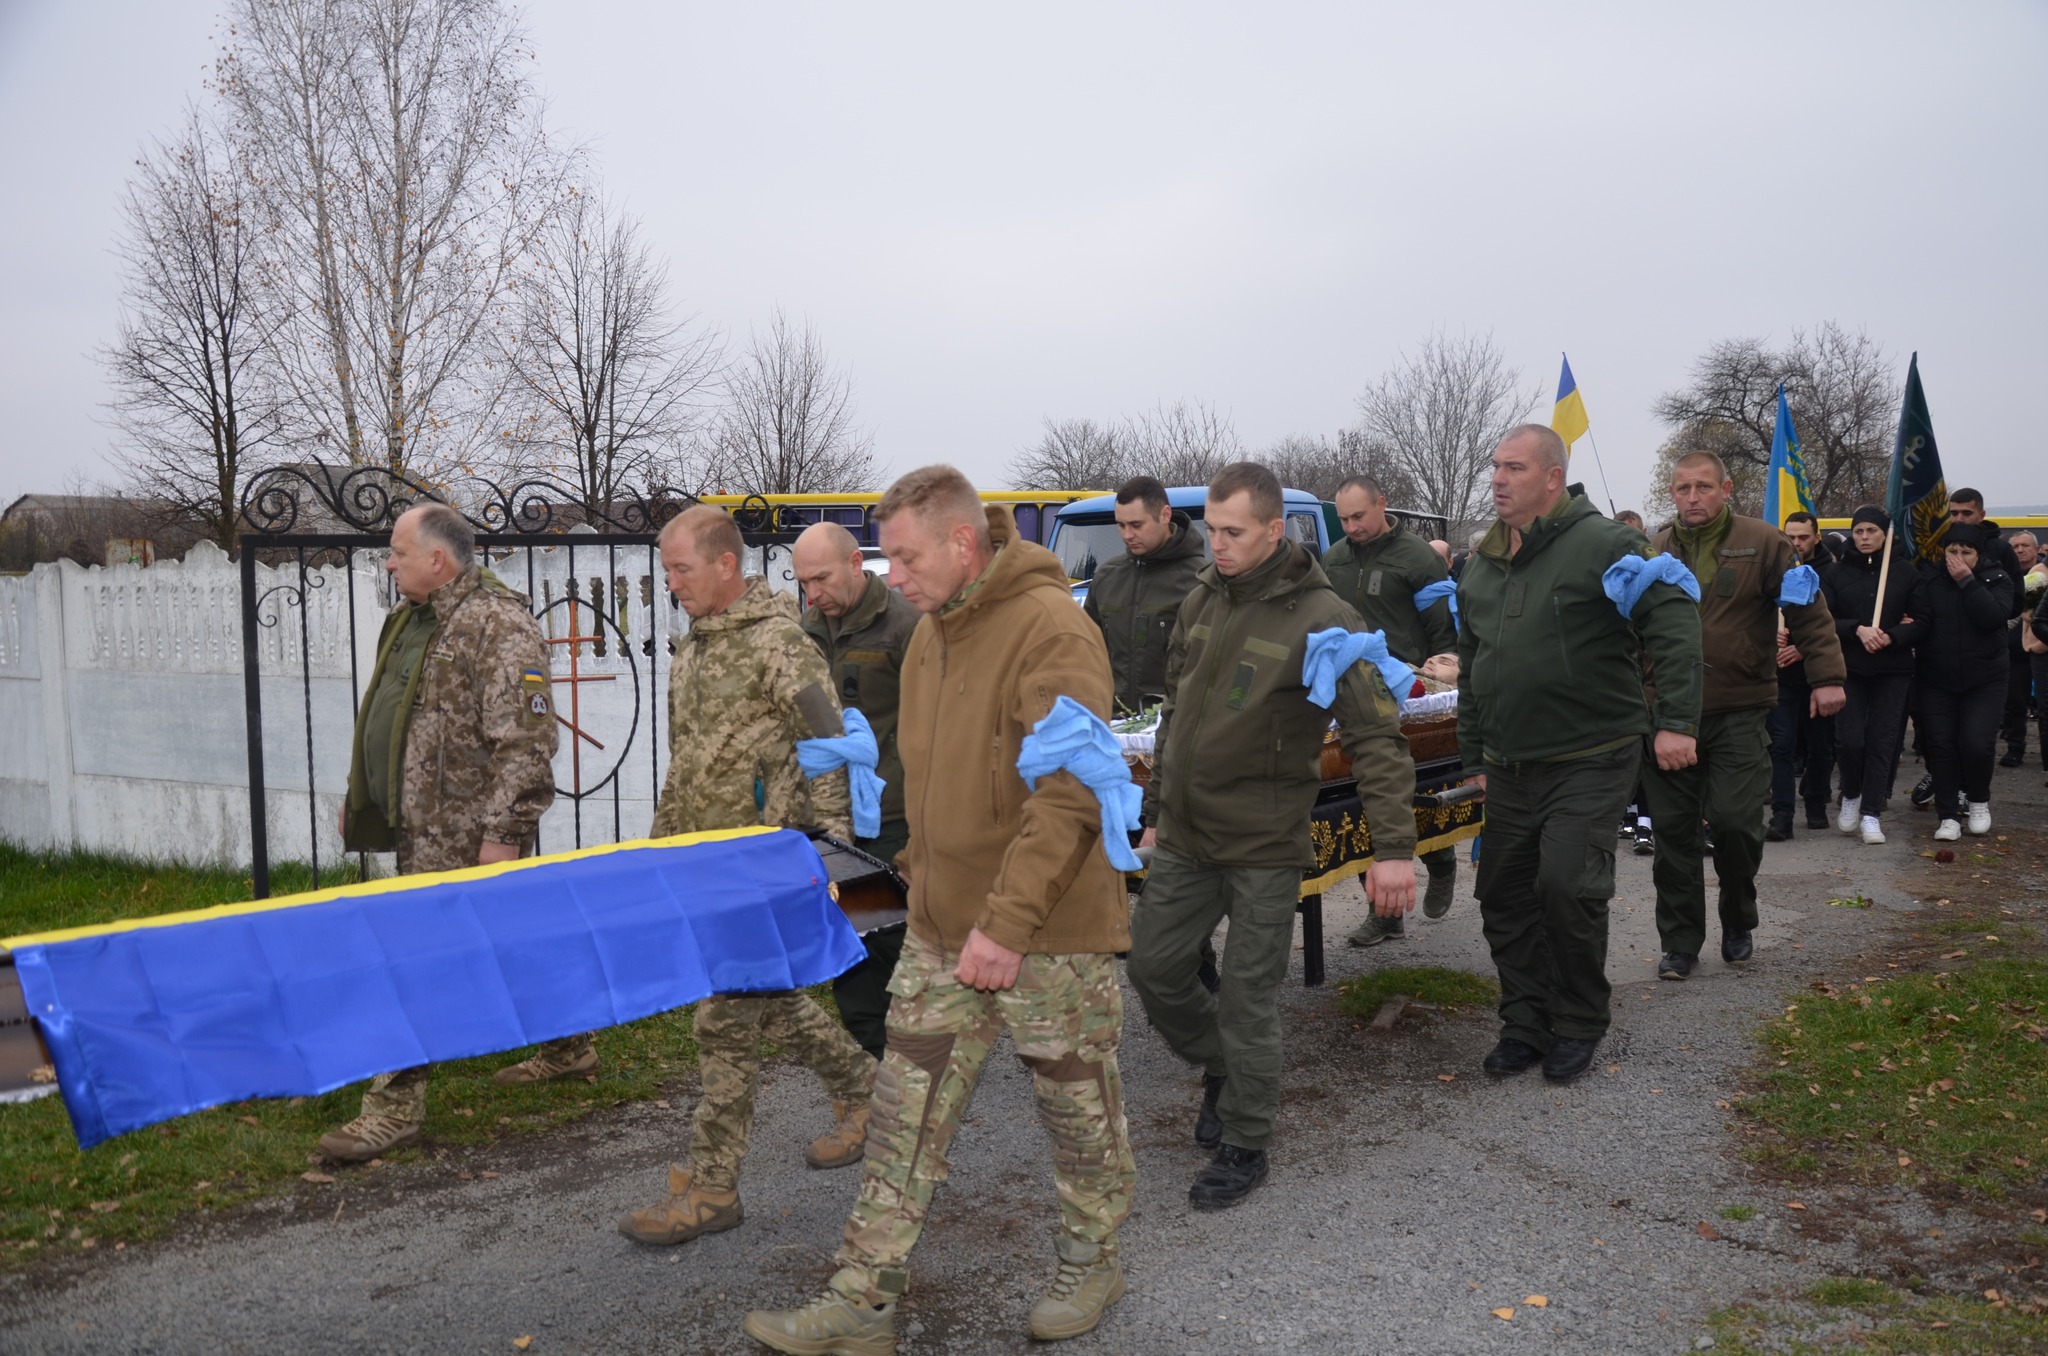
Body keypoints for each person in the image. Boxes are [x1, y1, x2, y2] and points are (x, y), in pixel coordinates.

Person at [745, 467, 1136, 1351]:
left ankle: (1092, 1257)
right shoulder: (929, 637)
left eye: (910, 557)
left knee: (1076, 1110)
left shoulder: (1053, 630)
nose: (897, 576)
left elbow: (1072, 793)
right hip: (938, 924)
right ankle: (863, 1299)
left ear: (964, 543)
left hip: (1049, 932)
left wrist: (1005, 925)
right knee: (903, 1106)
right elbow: (937, 787)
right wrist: (909, 872)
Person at [1125, 461, 1417, 1208]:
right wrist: (1157, 813)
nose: (1216, 545)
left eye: (1233, 533)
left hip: (1262, 844)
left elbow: (1377, 738)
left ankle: (1246, 1139)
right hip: (1188, 836)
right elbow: (1174, 715)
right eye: (1212, 530)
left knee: (1248, 998)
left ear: (1273, 530)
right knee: (1155, 970)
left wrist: (1392, 851)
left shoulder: (1325, 619)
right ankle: (1224, 1067)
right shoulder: (1200, 599)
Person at [618, 507, 875, 1249]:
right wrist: (660, 854)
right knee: (765, 994)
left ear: (726, 565)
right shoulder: (694, 647)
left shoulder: (782, 647)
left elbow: (829, 751)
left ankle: (712, 1190)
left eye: (681, 570)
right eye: (666, 571)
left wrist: (830, 860)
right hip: (703, 864)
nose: (672, 584)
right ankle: (868, 1092)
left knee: (723, 1022)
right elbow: (687, 764)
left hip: (763, 865)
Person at [319, 505, 572, 1162]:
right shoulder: (416, 621)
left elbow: (527, 742)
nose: (388, 561)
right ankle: (571, 1046)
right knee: (512, 943)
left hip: (471, 839)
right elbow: (391, 716)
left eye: (398, 550)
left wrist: (504, 836)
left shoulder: (497, 623)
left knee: (413, 964)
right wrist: (365, 796)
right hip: (423, 832)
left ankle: (391, 1110)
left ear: (438, 559)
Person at [1459, 428, 1701, 1082]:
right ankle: (1526, 1023)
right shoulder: (1481, 563)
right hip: (1510, 764)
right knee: (1504, 895)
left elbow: (1672, 617)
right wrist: (1474, 755)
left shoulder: (1604, 545)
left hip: (1591, 753)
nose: (1499, 479)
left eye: (1514, 467)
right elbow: (1476, 664)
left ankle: (1578, 1021)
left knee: (1567, 885)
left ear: (1552, 477)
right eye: (1495, 466)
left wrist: (1676, 720)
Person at [1643, 452, 1845, 980]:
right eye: (1683, 487)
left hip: (1738, 707)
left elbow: (1807, 605)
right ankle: (1681, 941)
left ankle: (1738, 918)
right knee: (1673, 834)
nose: (1693, 497)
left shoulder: (1764, 542)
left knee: (1735, 824)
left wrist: (1826, 675)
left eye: (1703, 487)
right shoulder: (1654, 546)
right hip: (1666, 714)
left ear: (1726, 487)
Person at [794, 521, 920, 1061]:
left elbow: (934, 726)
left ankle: (921, 1059)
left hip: (892, 818)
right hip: (831, 822)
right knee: (848, 942)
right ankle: (876, 1065)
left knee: (896, 940)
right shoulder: (807, 627)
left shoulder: (907, 627)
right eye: (803, 582)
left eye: (821, 578)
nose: (813, 593)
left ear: (854, 564)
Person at [1319, 472, 1458, 942]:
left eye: (1358, 516)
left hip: (1409, 695)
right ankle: (1386, 914)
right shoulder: (1333, 559)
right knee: (1363, 801)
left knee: (1409, 793)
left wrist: (1439, 680)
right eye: (1343, 518)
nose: (1351, 526)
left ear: (1382, 505)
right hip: (1351, 696)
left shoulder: (1417, 558)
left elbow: (1444, 630)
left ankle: (1440, 860)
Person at [1820, 507, 1925, 845]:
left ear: (1885, 535)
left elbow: (1923, 620)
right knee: (1850, 740)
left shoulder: (1906, 573)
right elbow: (1824, 620)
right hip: (1848, 667)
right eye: (1859, 531)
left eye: (1872, 531)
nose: (1864, 537)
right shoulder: (1835, 575)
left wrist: (1892, 636)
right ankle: (1850, 793)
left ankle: (1872, 812)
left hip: (1892, 669)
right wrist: (1858, 630)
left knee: (1883, 741)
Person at [1915, 522, 2014, 840]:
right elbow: (1921, 618)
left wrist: (1968, 582)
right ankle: (1947, 816)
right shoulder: (1930, 579)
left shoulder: (1997, 578)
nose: (1957, 558)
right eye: (1952, 551)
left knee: (1977, 743)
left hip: (1985, 678)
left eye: (1965, 552)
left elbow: (1993, 617)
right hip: (1937, 677)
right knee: (1941, 745)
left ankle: (1978, 799)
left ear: (1978, 554)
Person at [1083, 475, 1206, 716]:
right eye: (1121, 525)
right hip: (1112, 727)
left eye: (1136, 525)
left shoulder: (1201, 581)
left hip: (1173, 727)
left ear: (1165, 515)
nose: (1127, 535)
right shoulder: (1107, 578)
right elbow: (1084, 654)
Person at [1765, 511, 1838, 839]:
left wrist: (1804, 648)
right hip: (1781, 676)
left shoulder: (1833, 574)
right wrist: (1772, 636)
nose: (1796, 543)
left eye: (1803, 537)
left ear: (1816, 537)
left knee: (1821, 746)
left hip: (1818, 676)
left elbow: (1837, 625)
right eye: (1790, 536)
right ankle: (1781, 814)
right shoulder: (1773, 571)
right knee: (1781, 745)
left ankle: (1816, 801)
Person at [1999, 531, 2040, 766]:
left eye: (2025, 545)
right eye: (2014, 546)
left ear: (2036, 549)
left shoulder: (2043, 575)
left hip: (2042, 647)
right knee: (2014, 702)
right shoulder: (2005, 578)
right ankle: (2015, 747)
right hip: (2014, 650)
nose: (2020, 550)